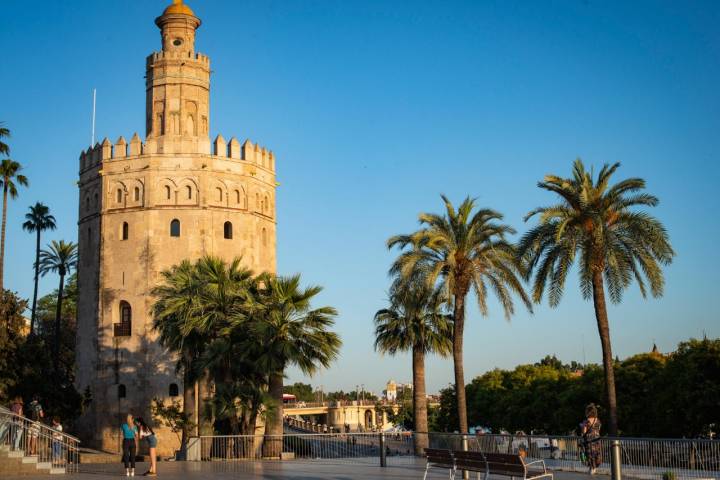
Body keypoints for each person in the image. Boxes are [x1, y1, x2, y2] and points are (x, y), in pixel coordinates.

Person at [580, 404, 602, 474]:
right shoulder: (597, 420)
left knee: (590, 455)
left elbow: (584, 432)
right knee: (596, 454)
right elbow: (599, 429)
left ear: (588, 412)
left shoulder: (586, 421)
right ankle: (594, 468)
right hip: (597, 440)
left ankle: (592, 469)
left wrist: (582, 427)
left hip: (589, 441)